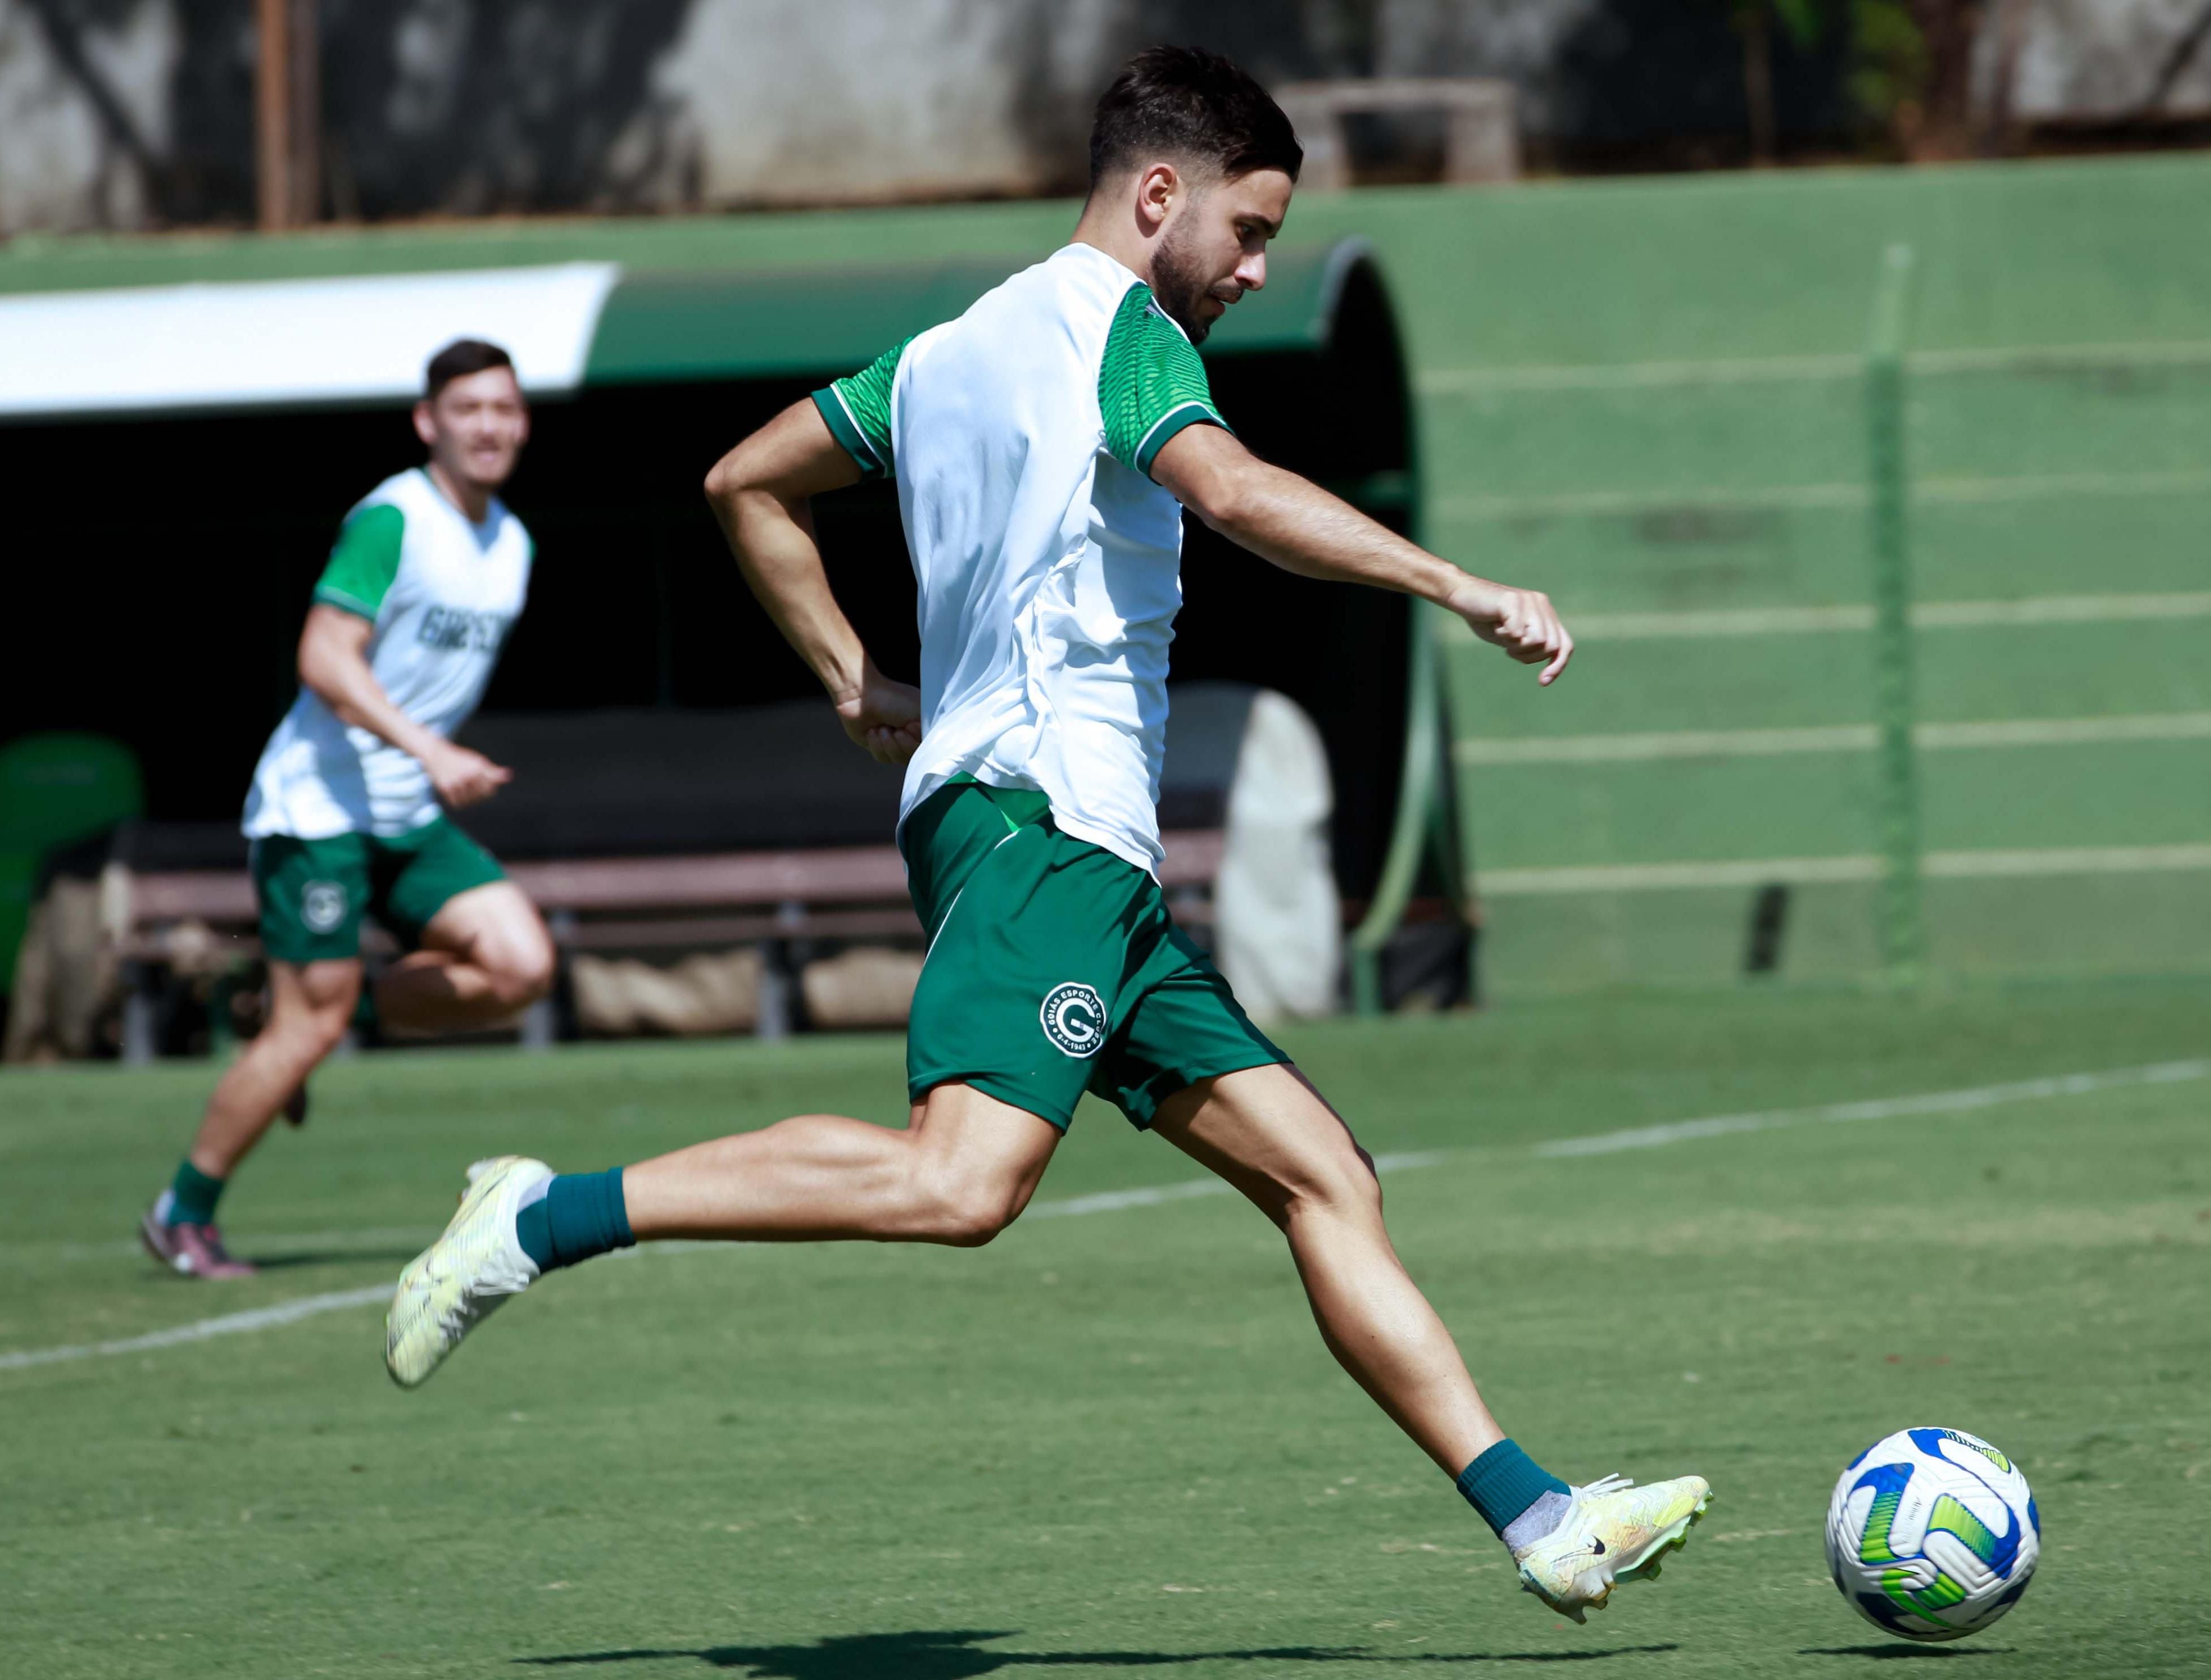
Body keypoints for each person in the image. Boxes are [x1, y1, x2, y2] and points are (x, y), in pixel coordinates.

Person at [383, 49, 1705, 1623]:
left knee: (1321, 1177)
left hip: (1055, 843)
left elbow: (747, 481)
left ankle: (1540, 1517)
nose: (1254, 266)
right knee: (960, 1184)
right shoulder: (1122, 332)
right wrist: (1457, 585)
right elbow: (1229, 490)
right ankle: (542, 1213)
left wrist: (852, 680)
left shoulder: (944, 351)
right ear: (1160, 197)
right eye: (1248, 227)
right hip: (1046, 826)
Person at [141, 339, 556, 1280]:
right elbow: (324, 658)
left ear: (522, 422)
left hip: (403, 811)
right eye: (468, 409)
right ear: (429, 423)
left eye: (505, 408)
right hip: (317, 807)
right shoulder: (393, 518)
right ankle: (181, 1213)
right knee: (306, 1029)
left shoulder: (513, 543)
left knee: (521, 964)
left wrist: (431, 763)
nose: (489, 425)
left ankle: (317, 1008)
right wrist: (432, 749)